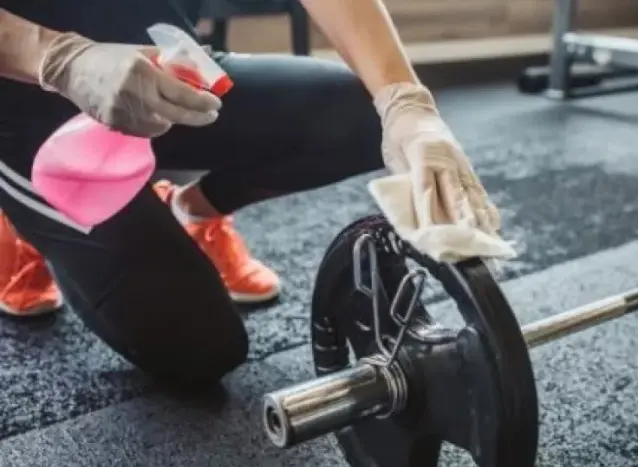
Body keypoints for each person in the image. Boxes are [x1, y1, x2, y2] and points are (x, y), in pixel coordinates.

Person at [0, 0, 501, 388]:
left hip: (168, 69)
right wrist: (58, 57)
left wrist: (405, 99)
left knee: (367, 112)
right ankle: (24, 219)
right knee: (202, 350)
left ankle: (191, 209)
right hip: (33, 116)